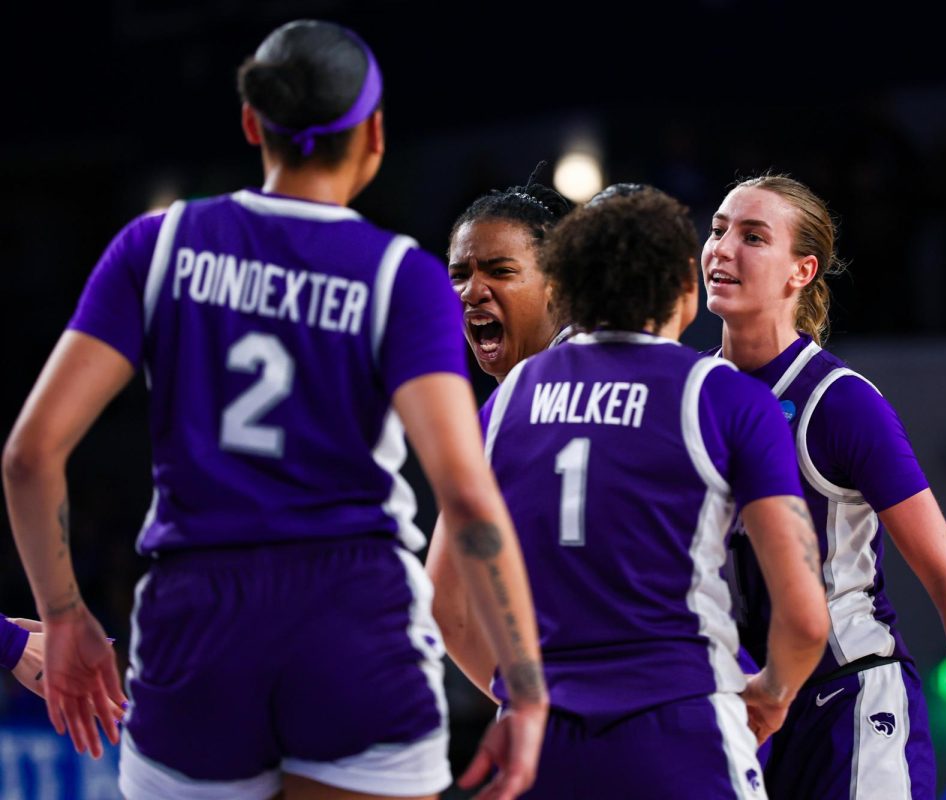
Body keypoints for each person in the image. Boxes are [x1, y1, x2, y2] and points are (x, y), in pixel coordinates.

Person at [2, 19, 546, 800]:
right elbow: (464, 493)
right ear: (376, 134)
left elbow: (29, 455)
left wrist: (63, 616)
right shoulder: (403, 276)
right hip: (354, 630)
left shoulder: (157, 245)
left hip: (197, 633)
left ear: (254, 123)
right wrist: (525, 689)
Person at [437, 187, 831, 797]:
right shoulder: (724, 396)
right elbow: (805, 618)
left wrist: (526, 694)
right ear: (686, 291)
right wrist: (773, 697)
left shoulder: (506, 401)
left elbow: (444, 603)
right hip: (679, 727)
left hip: (543, 746)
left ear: (563, 283)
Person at [706, 174, 946, 799]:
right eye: (718, 229)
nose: (723, 247)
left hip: (851, 700)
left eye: (752, 236)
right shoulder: (690, 395)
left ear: (801, 271)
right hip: (746, 717)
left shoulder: (839, 403)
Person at [446, 182, 573, 383]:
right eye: (459, 275)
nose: (471, 292)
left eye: (500, 271)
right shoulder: (505, 402)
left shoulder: (591, 382)